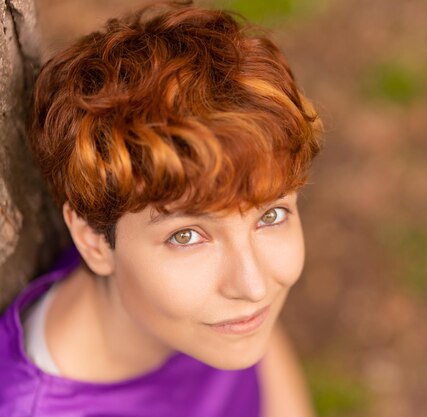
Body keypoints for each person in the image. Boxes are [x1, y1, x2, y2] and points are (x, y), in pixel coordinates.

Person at [0, 2, 322, 416]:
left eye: (270, 215)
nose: (254, 286)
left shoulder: (212, 314)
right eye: (187, 236)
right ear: (93, 240)